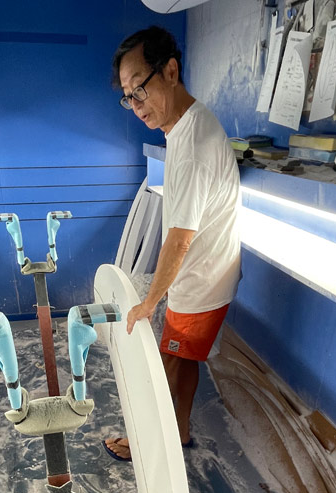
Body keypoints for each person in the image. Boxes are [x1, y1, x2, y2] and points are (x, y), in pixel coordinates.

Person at [103, 26, 241, 462]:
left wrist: (149, 302)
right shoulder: (184, 126)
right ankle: (178, 430)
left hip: (200, 282)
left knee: (165, 364)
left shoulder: (194, 145)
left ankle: (146, 442)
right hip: (207, 274)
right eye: (128, 96)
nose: (136, 105)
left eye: (140, 89)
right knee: (183, 361)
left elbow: (179, 241)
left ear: (171, 71)